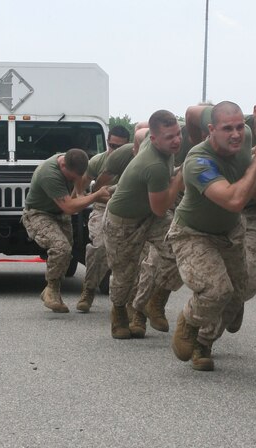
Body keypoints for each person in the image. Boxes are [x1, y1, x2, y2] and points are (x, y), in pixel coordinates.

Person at [168, 101, 256, 371]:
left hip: (229, 232)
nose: (237, 134)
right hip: (193, 233)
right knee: (217, 291)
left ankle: (205, 342)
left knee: (238, 294)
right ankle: (189, 321)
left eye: (240, 127)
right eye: (228, 129)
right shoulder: (197, 162)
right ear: (211, 130)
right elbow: (234, 200)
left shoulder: (245, 137)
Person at [185, 89, 256, 335]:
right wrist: (198, 146)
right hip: (213, 206)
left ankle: (230, 308)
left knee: (251, 278)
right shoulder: (232, 122)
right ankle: (203, 340)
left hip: (252, 211)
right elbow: (192, 113)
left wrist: (228, 179)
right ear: (255, 111)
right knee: (209, 279)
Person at [102, 110, 184, 339]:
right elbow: (161, 207)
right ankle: (119, 312)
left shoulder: (151, 137)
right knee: (124, 275)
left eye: (178, 134)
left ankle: (151, 303)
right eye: (170, 137)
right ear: (156, 139)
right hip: (123, 222)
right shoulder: (154, 166)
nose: (177, 140)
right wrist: (178, 180)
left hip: (150, 215)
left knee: (181, 250)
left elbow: (139, 130)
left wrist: (137, 151)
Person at [22, 148, 111, 313]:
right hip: (38, 213)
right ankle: (52, 291)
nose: (75, 180)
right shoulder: (49, 174)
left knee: (66, 253)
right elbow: (70, 207)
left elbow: (78, 192)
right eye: (72, 177)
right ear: (63, 165)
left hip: (60, 215)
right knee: (60, 248)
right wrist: (97, 195)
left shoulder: (74, 163)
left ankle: (52, 291)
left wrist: (89, 194)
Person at [76, 126, 131, 313]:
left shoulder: (133, 162)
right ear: (107, 142)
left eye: (119, 147)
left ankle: (131, 303)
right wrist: (86, 199)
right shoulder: (98, 161)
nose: (114, 150)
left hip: (129, 212)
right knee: (99, 246)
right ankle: (88, 289)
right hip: (102, 208)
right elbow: (81, 188)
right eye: (111, 145)